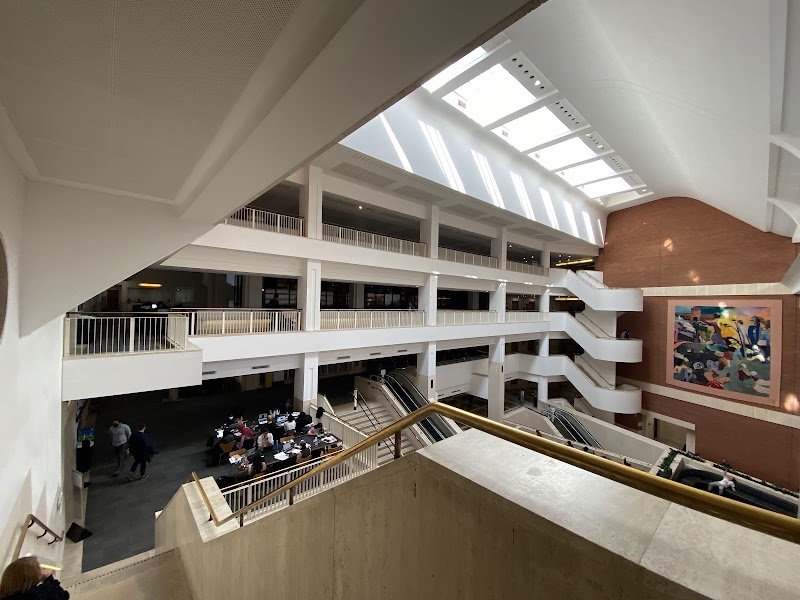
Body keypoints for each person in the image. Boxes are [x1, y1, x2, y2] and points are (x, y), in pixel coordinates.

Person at [0, 555, 69, 599]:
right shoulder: (37, 595)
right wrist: (48, 577)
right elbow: (63, 596)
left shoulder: (6, 594)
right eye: (41, 569)